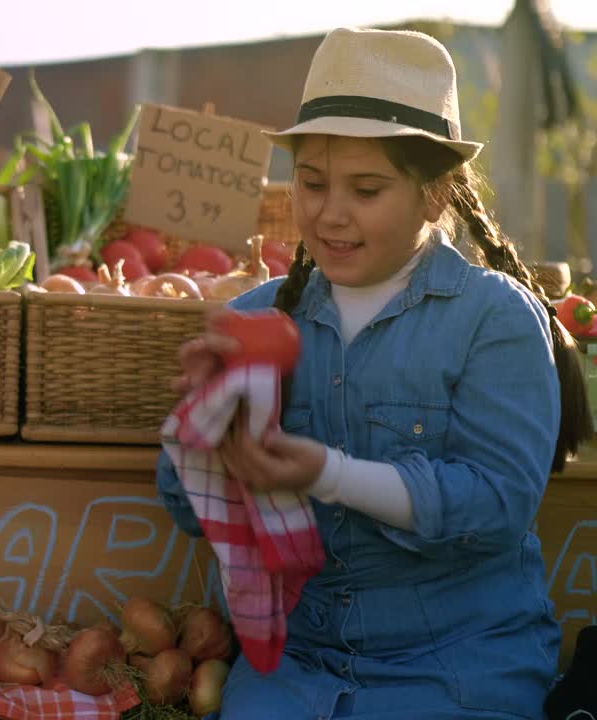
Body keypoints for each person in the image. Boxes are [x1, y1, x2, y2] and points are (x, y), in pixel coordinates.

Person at [157, 27, 590, 719]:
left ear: (433, 193)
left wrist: (324, 472)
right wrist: (201, 430)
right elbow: (187, 511)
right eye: (312, 182)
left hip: (458, 669)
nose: (331, 212)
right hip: (292, 671)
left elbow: (496, 505)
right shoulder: (255, 317)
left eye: (366, 189)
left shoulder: (493, 319)